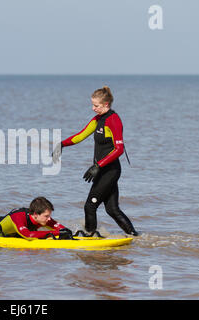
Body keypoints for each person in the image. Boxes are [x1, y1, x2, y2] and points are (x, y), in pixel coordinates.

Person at [52, 86, 138, 236]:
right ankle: (134, 236)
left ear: (106, 104)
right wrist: (62, 144)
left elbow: (119, 149)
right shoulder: (98, 119)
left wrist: (98, 165)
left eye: (96, 105)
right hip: (101, 170)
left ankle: (90, 237)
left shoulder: (114, 120)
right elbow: (81, 135)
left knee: (89, 206)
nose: (93, 108)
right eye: (92, 105)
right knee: (112, 209)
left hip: (110, 171)